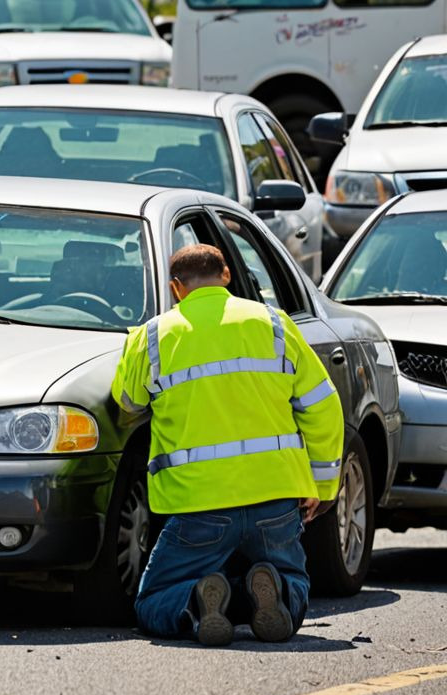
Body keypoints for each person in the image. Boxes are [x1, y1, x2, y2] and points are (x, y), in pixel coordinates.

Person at [111, 244, 344, 646]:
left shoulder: (154, 336)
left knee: (154, 601)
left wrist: (135, 347)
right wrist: (323, 486)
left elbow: (127, 401)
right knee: (294, 586)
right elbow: (323, 407)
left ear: (176, 288)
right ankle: (274, 592)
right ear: (226, 276)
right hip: (275, 500)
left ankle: (197, 602)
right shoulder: (274, 323)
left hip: (197, 506)